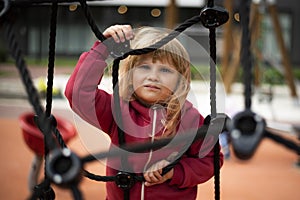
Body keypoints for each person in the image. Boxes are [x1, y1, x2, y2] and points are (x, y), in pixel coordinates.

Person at [65, 24, 223, 200]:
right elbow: (77, 94)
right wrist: (103, 48)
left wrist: (174, 171)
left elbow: (211, 159)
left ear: (180, 80)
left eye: (164, 70)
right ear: (130, 74)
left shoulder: (189, 118)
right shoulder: (116, 110)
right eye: (144, 67)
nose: (153, 76)